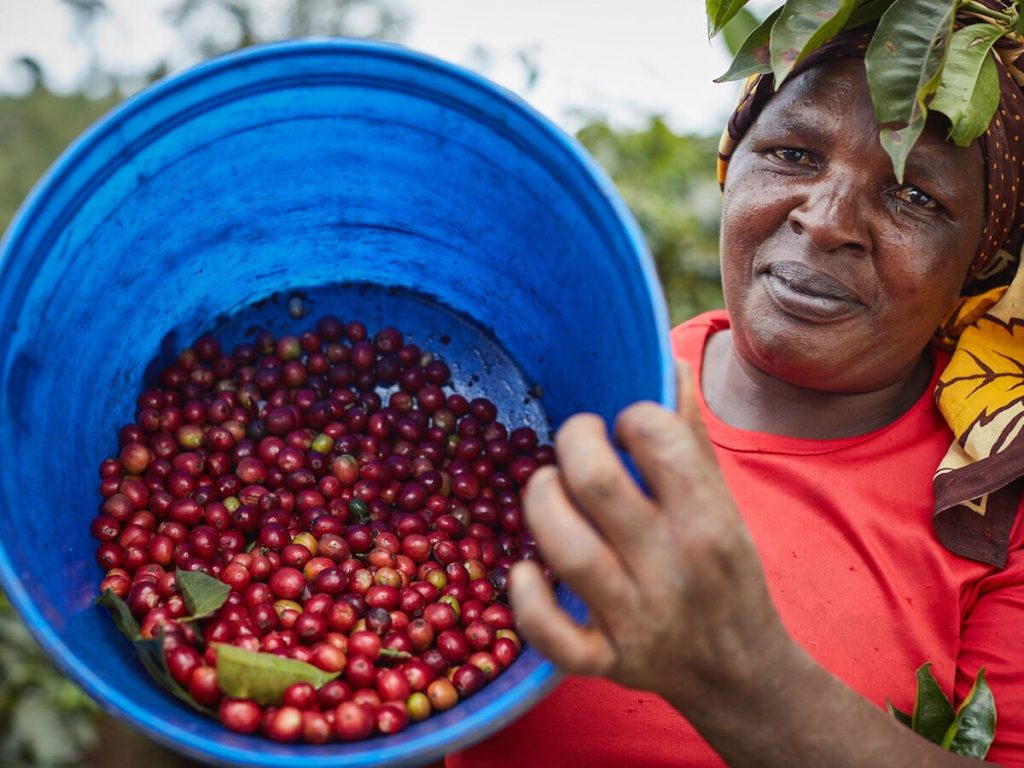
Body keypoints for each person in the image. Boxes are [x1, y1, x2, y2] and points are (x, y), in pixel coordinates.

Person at [447, 15, 1024, 768]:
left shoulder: (992, 498)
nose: (825, 222)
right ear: (733, 161)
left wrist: (740, 676)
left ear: (982, 260)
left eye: (915, 196)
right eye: (792, 153)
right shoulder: (557, 393)